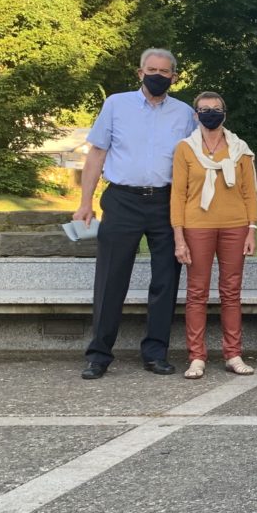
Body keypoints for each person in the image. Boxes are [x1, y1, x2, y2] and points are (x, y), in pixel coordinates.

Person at [75, 49, 197, 379]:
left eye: (164, 71)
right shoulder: (116, 104)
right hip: (122, 200)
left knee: (165, 280)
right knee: (111, 279)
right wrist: (85, 202)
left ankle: (155, 353)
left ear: (174, 76)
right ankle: (99, 355)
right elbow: (97, 153)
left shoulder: (185, 114)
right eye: (151, 69)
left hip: (166, 203)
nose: (157, 75)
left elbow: (194, 162)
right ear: (140, 73)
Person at [170, 92, 257, 379]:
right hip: (197, 226)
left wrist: (252, 230)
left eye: (216, 108)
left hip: (235, 226)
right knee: (197, 293)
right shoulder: (185, 149)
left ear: (224, 113)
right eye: (205, 109)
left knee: (231, 292)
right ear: (196, 115)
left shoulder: (240, 149)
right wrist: (179, 237)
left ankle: (233, 354)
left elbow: (249, 192)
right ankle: (197, 357)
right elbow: (178, 195)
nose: (211, 112)